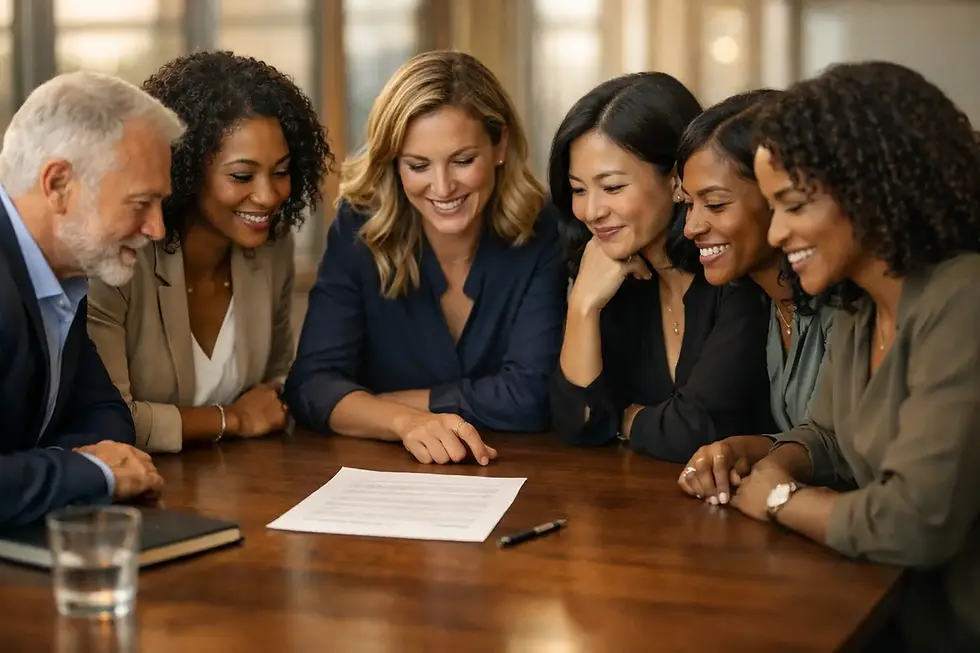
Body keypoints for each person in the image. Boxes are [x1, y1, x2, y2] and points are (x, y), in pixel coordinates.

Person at [682, 62, 980, 653]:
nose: (775, 233)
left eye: (794, 205)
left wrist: (777, 498)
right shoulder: (857, 303)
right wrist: (773, 459)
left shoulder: (963, 298)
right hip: (887, 610)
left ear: (872, 188)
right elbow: (828, 431)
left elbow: (911, 524)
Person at [283, 50, 566, 466]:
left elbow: (534, 397)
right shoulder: (358, 227)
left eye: (463, 161)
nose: (443, 186)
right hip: (378, 477)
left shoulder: (543, 229)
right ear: (394, 163)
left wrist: (374, 405)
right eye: (418, 165)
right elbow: (311, 386)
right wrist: (403, 422)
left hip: (513, 474)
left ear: (500, 144)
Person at [87, 52, 332, 453]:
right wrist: (232, 419)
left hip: (244, 482)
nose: (268, 195)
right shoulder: (118, 258)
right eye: (242, 175)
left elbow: (274, 388)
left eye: (282, 171)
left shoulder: (273, 247)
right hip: (137, 494)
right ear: (183, 167)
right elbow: (106, 421)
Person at [547, 72, 775, 464]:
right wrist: (583, 306)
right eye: (579, 190)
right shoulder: (616, 280)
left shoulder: (734, 272)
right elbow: (580, 425)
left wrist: (628, 420)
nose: (591, 211)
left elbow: (695, 430)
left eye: (613, 187)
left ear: (676, 180)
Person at [0, 72, 181, 525]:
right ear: (59, 185)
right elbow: (97, 460)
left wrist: (68, 467)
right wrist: (89, 471)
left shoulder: (64, 271)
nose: (156, 229)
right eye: (141, 203)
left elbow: (106, 414)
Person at [676, 90, 834, 503]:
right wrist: (747, 449)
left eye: (714, 203)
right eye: (688, 203)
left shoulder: (843, 301)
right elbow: (820, 440)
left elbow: (853, 451)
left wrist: (776, 493)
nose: (691, 226)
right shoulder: (756, 298)